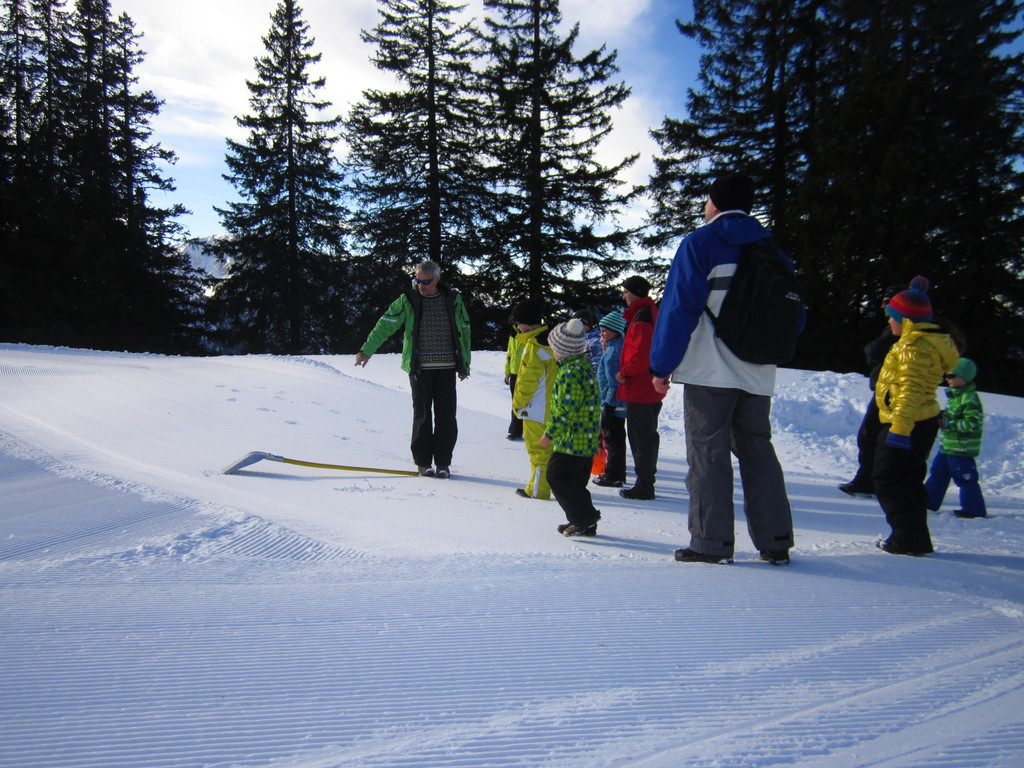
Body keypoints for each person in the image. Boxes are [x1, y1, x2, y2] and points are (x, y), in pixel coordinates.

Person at [649, 172, 796, 565]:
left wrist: (661, 365)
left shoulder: (701, 243)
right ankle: (776, 540)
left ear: (713, 202)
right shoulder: (773, 251)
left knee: (708, 454)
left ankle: (710, 543)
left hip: (709, 371)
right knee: (758, 450)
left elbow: (678, 310)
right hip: (758, 372)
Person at [355, 260, 471, 478]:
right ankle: (423, 463)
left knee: (447, 418)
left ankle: (443, 463)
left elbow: (465, 331)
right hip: (419, 369)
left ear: (436, 280)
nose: (420, 285)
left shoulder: (453, 300)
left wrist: (465, 364)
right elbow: (385, 324)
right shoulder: (408, 300)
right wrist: (366, 350)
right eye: (416, 280)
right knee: (422, 416)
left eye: (425, 281)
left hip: (447, 369)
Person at [873, 284, 959, 555]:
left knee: (888, 479)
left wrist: (899, 428)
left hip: (908, 423)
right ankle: (916, 539)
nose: (889, 321)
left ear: (906, 320)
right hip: (920, 421)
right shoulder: (923, 342)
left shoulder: (914, 347)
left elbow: (910, 389)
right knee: (908, 479)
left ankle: (906, 540)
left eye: (893, 316)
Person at [838, 283, 904, 496]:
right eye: (884, 301)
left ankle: (869, 482)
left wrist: (874, 352)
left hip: (890, 392)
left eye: (890, 302)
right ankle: (876, 481)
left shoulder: (901, 328)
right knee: (875, 437)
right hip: (887, 389)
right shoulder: (896, 327)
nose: (885, 306)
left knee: (870, 436)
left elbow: (875, 350)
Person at [540, 318, 603, 536]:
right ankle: (584, 521)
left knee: (556, 476)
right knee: (575, 482)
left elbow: (567, 409)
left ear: (563, 351)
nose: (552, 352)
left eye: (554, 348)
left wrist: (550, 432)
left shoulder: (570, 373)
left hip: (572, 440)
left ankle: (584, 517)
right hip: (584, 438)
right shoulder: (580, 366)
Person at [617, 275, 665, 501]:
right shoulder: (646, 313)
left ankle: (645, 485)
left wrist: (623, 372)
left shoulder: (643, 316)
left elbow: (641, 355)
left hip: (641, 388)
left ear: (635, 292)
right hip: (647, 387)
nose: (624, 296)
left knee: (641, 438)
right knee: (645, 436)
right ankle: (645, 482)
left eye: (626, 291)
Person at [925, 357, 987, 518]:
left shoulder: (969, 399)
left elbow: (972, 423)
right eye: (947, 375)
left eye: (952, 376)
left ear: (964, 378)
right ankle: (927, 501)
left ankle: (974, 509)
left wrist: (948, 423)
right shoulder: (957, 396)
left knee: (965, 478)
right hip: (948, 447)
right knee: (938, 472)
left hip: (961, 448)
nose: (947, 379)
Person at [510, 299, 559, 499]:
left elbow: (527, 382)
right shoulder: (552, 342)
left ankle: (538, 490)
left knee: (538, 449)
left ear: (526, 322)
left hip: (536, 408)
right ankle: (554, 485)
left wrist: (517, 404)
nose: (517, 328)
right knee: (551, 448)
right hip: (552, 406)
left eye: (518, 323)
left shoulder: (534, 347)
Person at [594, 311, 627, 488]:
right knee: (615, 438)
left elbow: (613, 382)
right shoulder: (616, 347)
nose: (601, 335)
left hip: (614, 404)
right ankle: (616, 473)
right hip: (615, 403)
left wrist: (608, 404)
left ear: (614, 331)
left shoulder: (614, 351)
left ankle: (613, 475)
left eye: (604, 331)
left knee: (612, 438)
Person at [503, 318, 524, 440]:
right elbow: (509, 354)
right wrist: (507, 372)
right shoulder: (513, 334)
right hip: (514, 373)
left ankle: (520, 430)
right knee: (515, 402)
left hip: (525, 373)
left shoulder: (528, 333)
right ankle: (515, 430)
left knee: (524, 402)